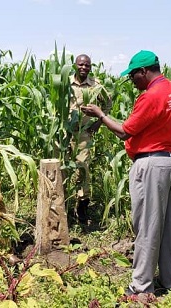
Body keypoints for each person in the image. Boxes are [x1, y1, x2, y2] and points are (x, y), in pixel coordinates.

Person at [80, 50, 171, 295]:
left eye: (133, 76)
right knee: (170, 227)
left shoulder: (151, 96)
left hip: (151, 165)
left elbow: (125, 132)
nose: (132, 82)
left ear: (144, 71)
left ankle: (141, 287)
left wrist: (101, 115)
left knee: (147, 227)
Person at [69, 54, 111, 224]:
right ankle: (63, 207)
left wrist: (98, 123)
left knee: (83, 170)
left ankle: (82, 209)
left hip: (84, 134)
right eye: (81, 65)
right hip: (65, 134)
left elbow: (107, 105)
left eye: (87, 65)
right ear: (75, 65)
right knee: (62, 170)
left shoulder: (96, 86)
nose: (84, 68)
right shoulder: (65, 84)